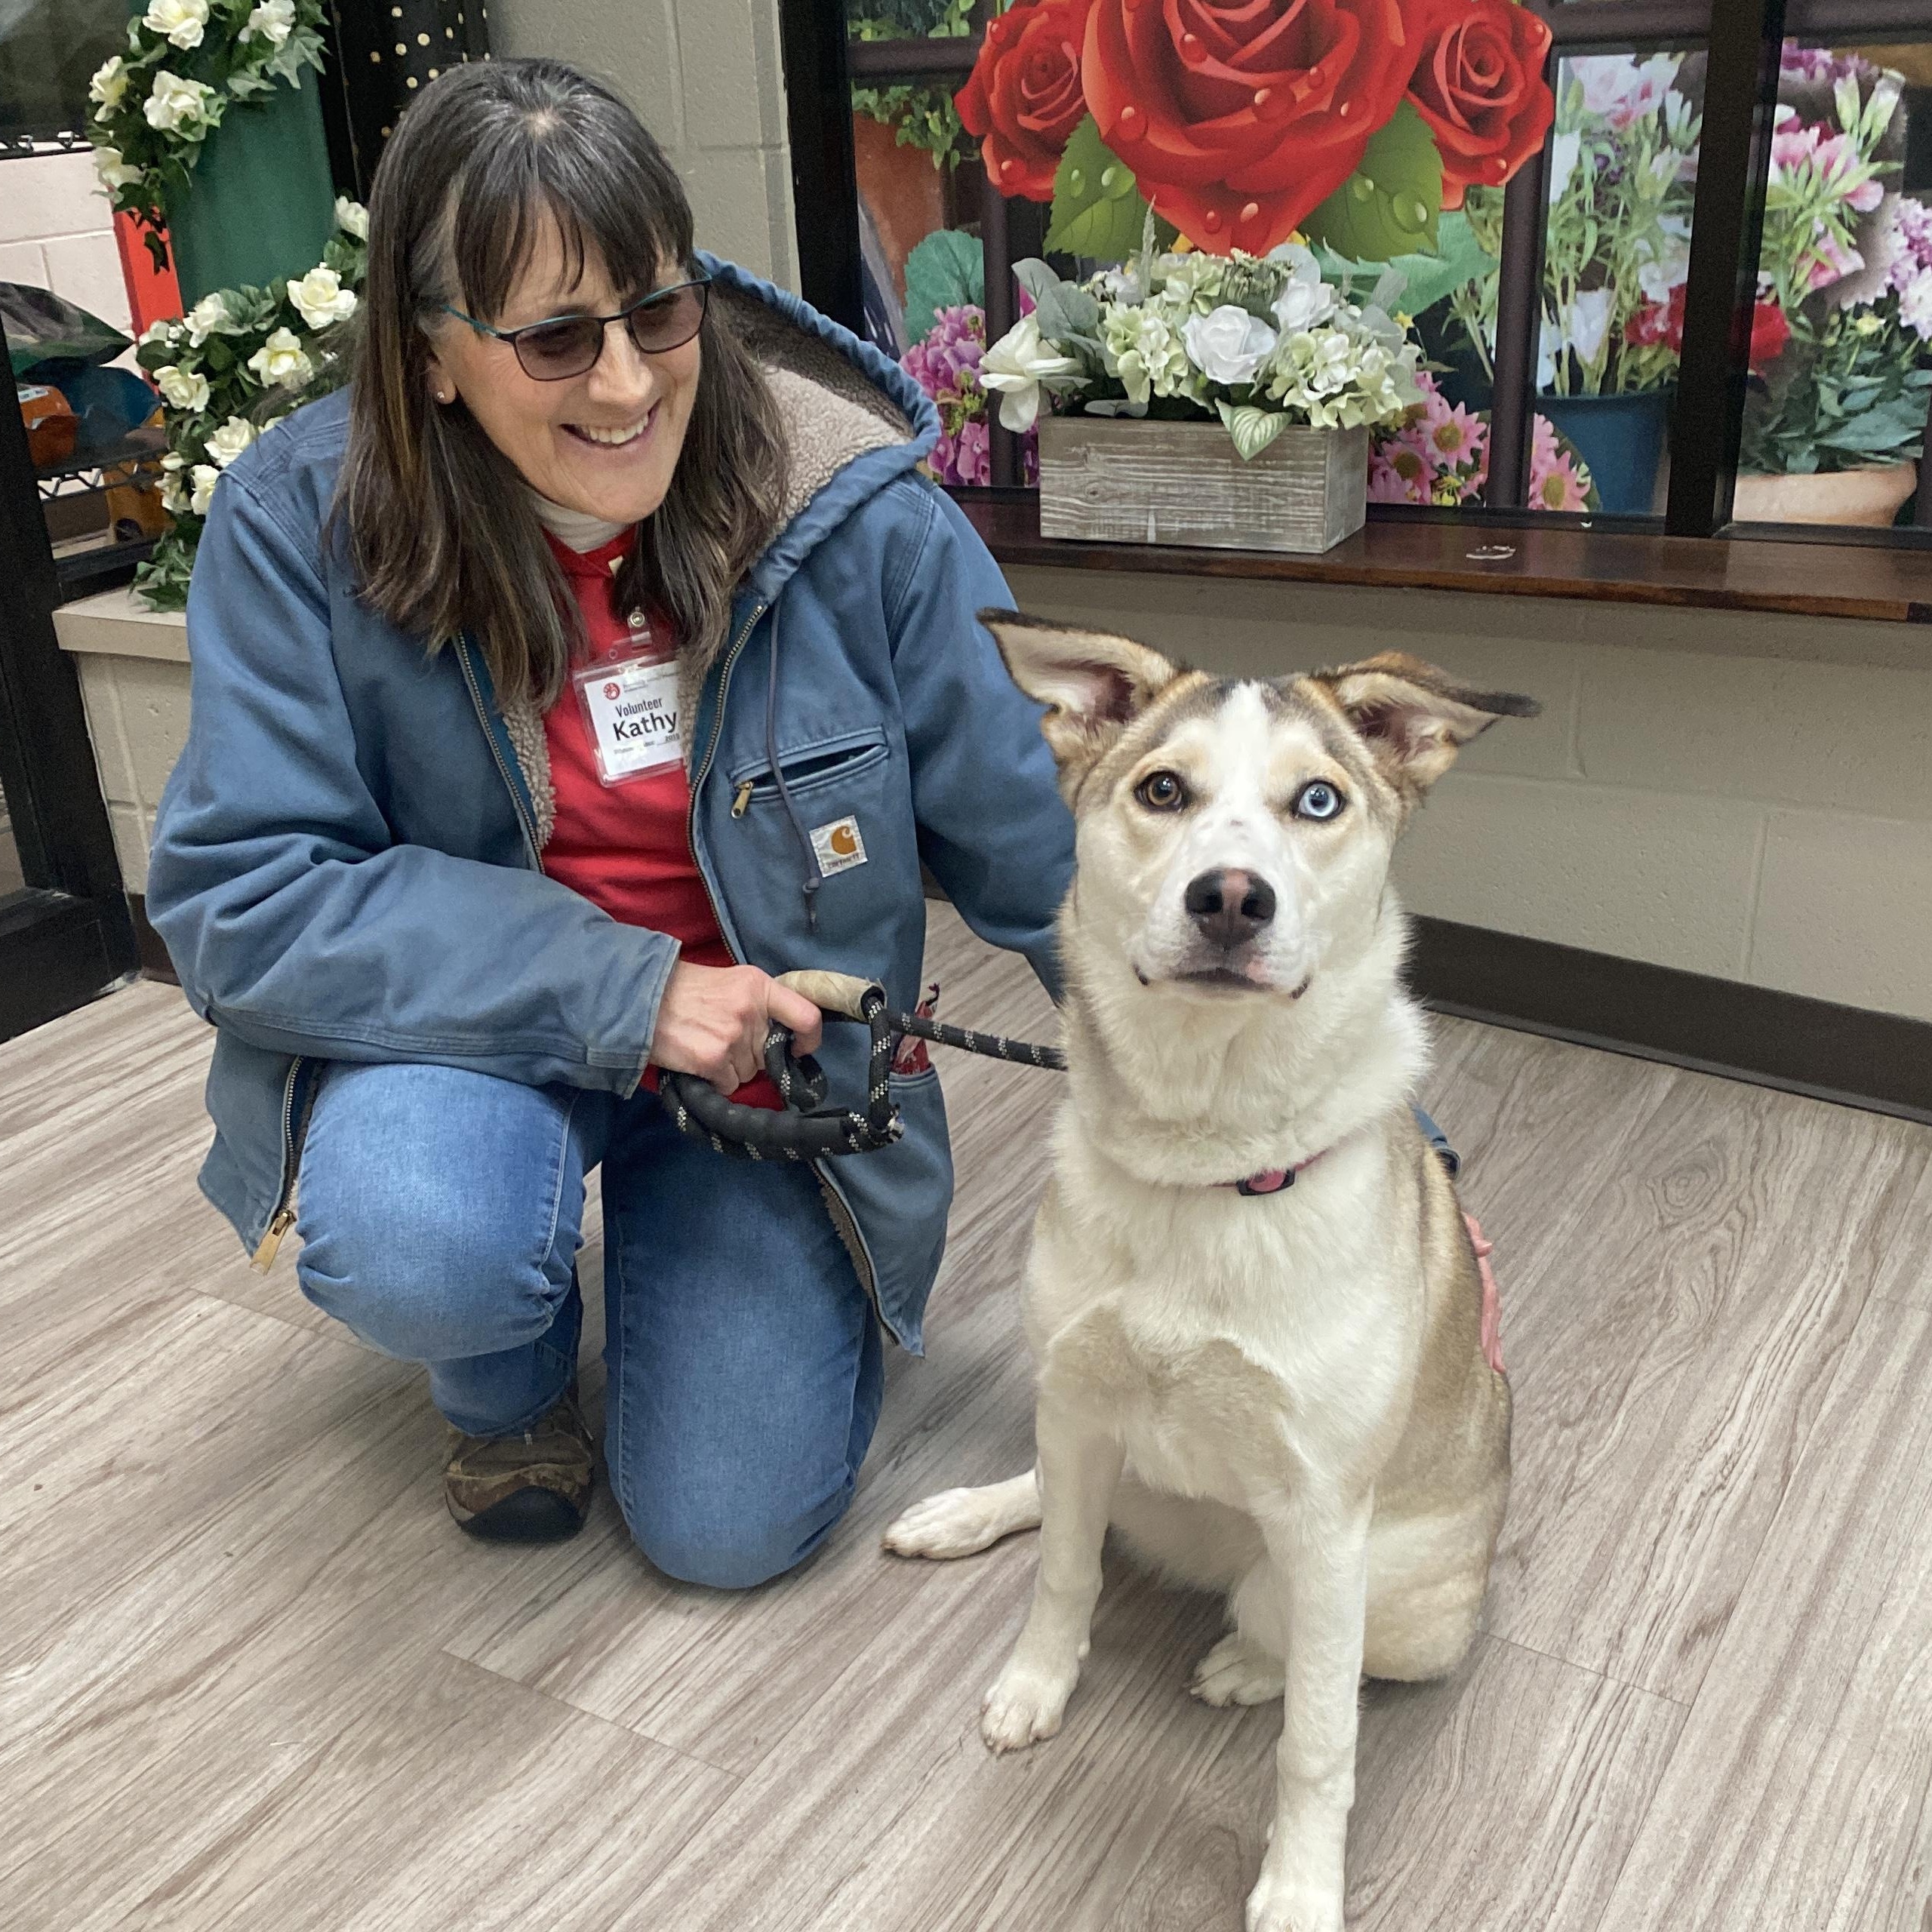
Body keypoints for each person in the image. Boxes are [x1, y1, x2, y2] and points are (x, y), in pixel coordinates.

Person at [146, 57, 1072, 1580]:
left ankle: (724, 1255)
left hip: (768, 1052)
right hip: (478, 1032)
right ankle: (505, 1384)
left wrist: (1344, 1128)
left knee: (726, 1529)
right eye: (556, 338)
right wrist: (631, 994)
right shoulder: (297, 517)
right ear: (434, 351)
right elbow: (243, 901)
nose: (631, 383)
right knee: (422, 1234)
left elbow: (1057, 859)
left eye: (657, 311)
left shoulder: (859, 511)